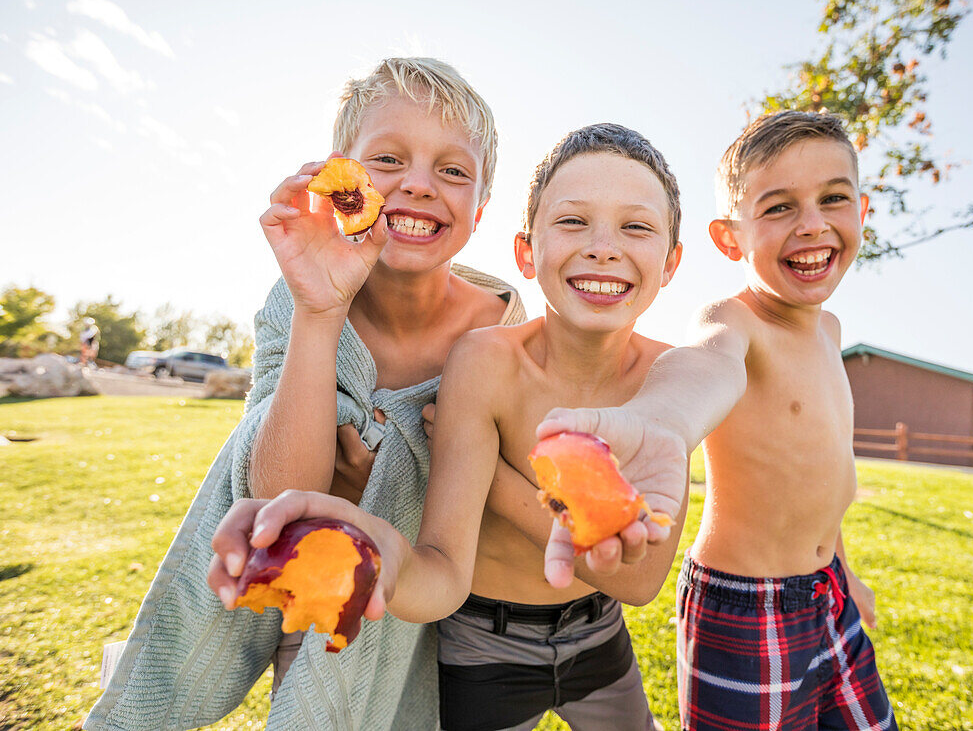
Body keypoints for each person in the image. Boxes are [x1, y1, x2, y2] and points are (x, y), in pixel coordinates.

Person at [85, 57, 526, 731]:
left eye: (453, 170)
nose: (417, 184)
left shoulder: (505, 331)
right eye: (386, 159)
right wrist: (319, 311)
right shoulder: (298, 293)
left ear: (481, 208)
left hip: (418, 615)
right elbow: (268, 493)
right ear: (337, 179)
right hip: (295, 570)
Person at [209, 123, 688, 731]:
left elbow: (639, 580)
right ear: (525, 253)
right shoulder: (484, 362)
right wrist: (381, 550)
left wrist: (494, 478)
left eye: (636, 226)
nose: (602, 247)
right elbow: (440, 574)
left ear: (671, 261)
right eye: (572, 221)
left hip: (598, 634)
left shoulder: (671, 379)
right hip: (482, 647)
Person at [535, 111, 897, 730]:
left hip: (828, 592)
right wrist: (662, 423)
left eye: (832, 198)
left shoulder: (830, 332)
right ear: (731, 238)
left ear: (861, 211)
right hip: (745, 608)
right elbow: (705, 365)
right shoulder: (735, 322)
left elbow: (819, 477)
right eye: (779, 208)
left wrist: (843, 568)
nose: (812, 224)